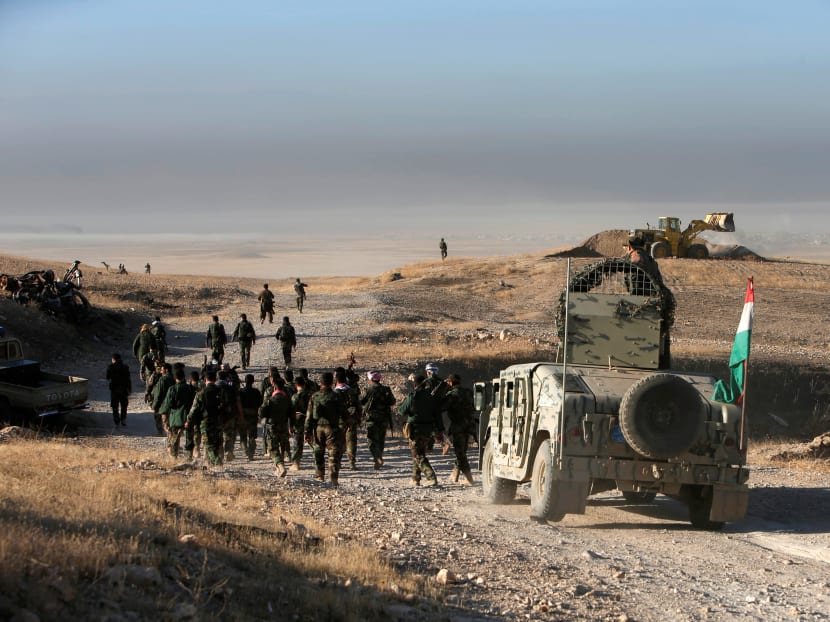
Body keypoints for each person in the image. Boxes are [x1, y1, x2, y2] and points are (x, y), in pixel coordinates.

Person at [398, 373, 443, 486]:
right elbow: (437, 415)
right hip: (428, 429)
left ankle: (431, 477)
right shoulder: (431, 397)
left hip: (415, 429)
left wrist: (404, 401)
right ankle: (415, 478)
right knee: (419, 452)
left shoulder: (413, 396)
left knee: (417, 455)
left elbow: (401, 411)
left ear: (415, 384)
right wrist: (440, 430)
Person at [304, 371, 348, 486]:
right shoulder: (336, 396)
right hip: (332, 428)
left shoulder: (314, 396)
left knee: (318, 451)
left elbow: (309, 416)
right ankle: (333, 477)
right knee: (333, 453)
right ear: (331, 382)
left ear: (320, 382)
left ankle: (319, 475)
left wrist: (307, 432)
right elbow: (344, 413)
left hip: (318, 428)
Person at [186, 368, 225, 466]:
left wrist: (188, 421)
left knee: (209, 445)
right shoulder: (221, 392)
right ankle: (211, 464)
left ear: (205, 380)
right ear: (215, 379)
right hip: (219, 421)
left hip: (206, 422)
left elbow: (194, 409)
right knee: (217, 444)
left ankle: (217, 463)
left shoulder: (201, 394)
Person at [442, 373, 475, 486]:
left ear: (450, 382)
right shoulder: (468, 392)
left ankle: (469, 479)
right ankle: (455, 474)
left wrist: (443, 393)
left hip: (458, 426)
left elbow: (442, 407)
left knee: (460, 453)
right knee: (462, 451)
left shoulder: (452, 395)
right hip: (469, 425)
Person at [360, 371, 396, 470]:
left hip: (371, 419)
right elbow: (392, 402)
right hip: (384, 419)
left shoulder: (368, 389)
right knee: (380, 440)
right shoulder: (386, 389)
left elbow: (361, 401)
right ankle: (378, 458)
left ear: (371, 379)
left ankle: (377, 457)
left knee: (371, 440)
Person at [160, 368, 197, 459]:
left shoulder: (173, 389)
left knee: (174, 439)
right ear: (184, 377)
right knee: (189, 438)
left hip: (176, 417)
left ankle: (174, 456)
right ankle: (189, 457)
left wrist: (164, 417)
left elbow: (168, 404)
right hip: (189, 417)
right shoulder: (191, 388)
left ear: (175, 378)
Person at [260, 376, 292, 476]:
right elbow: (292, 415)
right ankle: (280, 465)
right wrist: (292, 427)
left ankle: (280, 466)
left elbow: (261, 412)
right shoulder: (288, 401)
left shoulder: (270, 400)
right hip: (284, 426)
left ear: (274, 388)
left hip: (272, 427)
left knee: (273, 448)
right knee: (283, 445)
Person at [334, 367, 362, 470]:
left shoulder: (334, 393)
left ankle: (339, 462)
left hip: (339, 421)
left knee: (338, 441)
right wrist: (359, 418)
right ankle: (352, 463)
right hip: (351, 419)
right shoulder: (352, 391)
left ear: (336, 380)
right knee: (351, 441)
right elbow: (359, 406)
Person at [238, 373, 262, 461]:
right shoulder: (256, 392)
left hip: (242, 415)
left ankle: (245, 450)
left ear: (245, 381)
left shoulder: (240, 392)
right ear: (253, 382)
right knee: (252, 436)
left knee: (243, 435)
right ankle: (251, 453)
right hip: (253, 415)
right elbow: (260, 403)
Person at [289, 375, 311, 470]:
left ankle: (296, 463)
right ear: (304, 385)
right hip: (310, 422)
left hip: (298, 422)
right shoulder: (311, 395)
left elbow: (291, 413)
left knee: (297, 443)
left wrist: (290, 426)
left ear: (296, 385)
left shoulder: (295, 397)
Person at [106, 353, 131, 426]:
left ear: (113, 359)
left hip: (114, 389)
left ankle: (116, 421)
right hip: (124, 389)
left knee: (115, 406)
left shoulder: (110, 367)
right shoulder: (125, 367)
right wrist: (129, 389)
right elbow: (128, 379)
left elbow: (107, 377)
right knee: (124, 405)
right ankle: (123, 419)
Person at [152, 362, 175, 436]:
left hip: (163, 404)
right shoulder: (174, 378)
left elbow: (158, 394)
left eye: (162, 370)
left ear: (166, 370)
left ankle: (161, 433)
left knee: (163, 421)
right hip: (172, 404)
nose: (161, 371)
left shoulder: (163, 379)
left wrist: (155, 405)